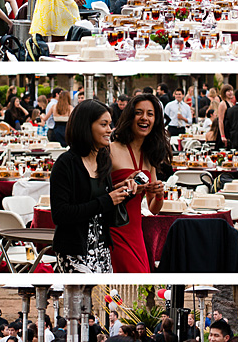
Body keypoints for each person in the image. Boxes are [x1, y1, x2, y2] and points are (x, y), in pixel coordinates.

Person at [50, 99, 134, 273]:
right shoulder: (66, 164)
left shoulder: (103, 161)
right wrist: (107, 200)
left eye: (110, 124)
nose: (109, 130)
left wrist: (123, 194)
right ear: (86, 126)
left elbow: (105, 211)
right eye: (104, 124)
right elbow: (60, 214)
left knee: (106, 300)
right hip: (74, 253)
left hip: (102, 250)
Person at [110, 94, 171, 272]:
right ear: (130, 116)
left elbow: (153, 208)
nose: (145, 118)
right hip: (114, 228)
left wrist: (159, 194)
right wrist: (124, 186)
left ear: (156, 120)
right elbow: (99, 191)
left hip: (136, 232)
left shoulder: (149, 156)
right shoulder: (111, 149)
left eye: (150, 114)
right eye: (139, 113)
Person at [215, 83, 234, 149]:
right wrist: (222, 135)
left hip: (230, 131)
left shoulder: (231, 103)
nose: (230, 92)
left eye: (231, 90)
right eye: (228, 91)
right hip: (224, 131)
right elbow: (220, 120)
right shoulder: (222, 104)